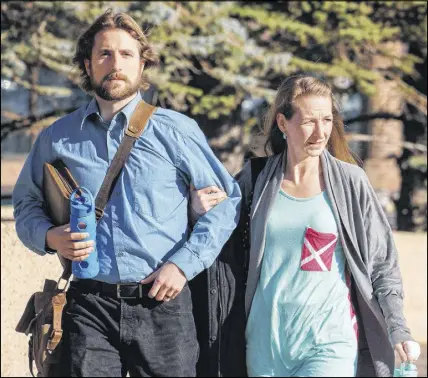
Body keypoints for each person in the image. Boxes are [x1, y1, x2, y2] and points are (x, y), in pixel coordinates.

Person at [12, 10, 240, 377]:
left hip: (163, 304)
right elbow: (25, 204)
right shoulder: (58, 137)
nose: (114, 64)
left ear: (142, 63)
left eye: (126, 54)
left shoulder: (175, 131)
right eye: (104, 54)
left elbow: (227, 203)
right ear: (88, 64)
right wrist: (50, 236)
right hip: (89, 306)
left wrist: (184, 265)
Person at [190, 75, 420, 377]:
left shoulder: (351, 183)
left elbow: (382, 266)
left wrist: (398, 328)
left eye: (327, 119)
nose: (321, 131)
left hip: (329, 343)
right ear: (283, 123)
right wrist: (196, 211)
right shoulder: (256, 179)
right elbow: (217, 238)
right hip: (264, 344)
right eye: (309, 121)